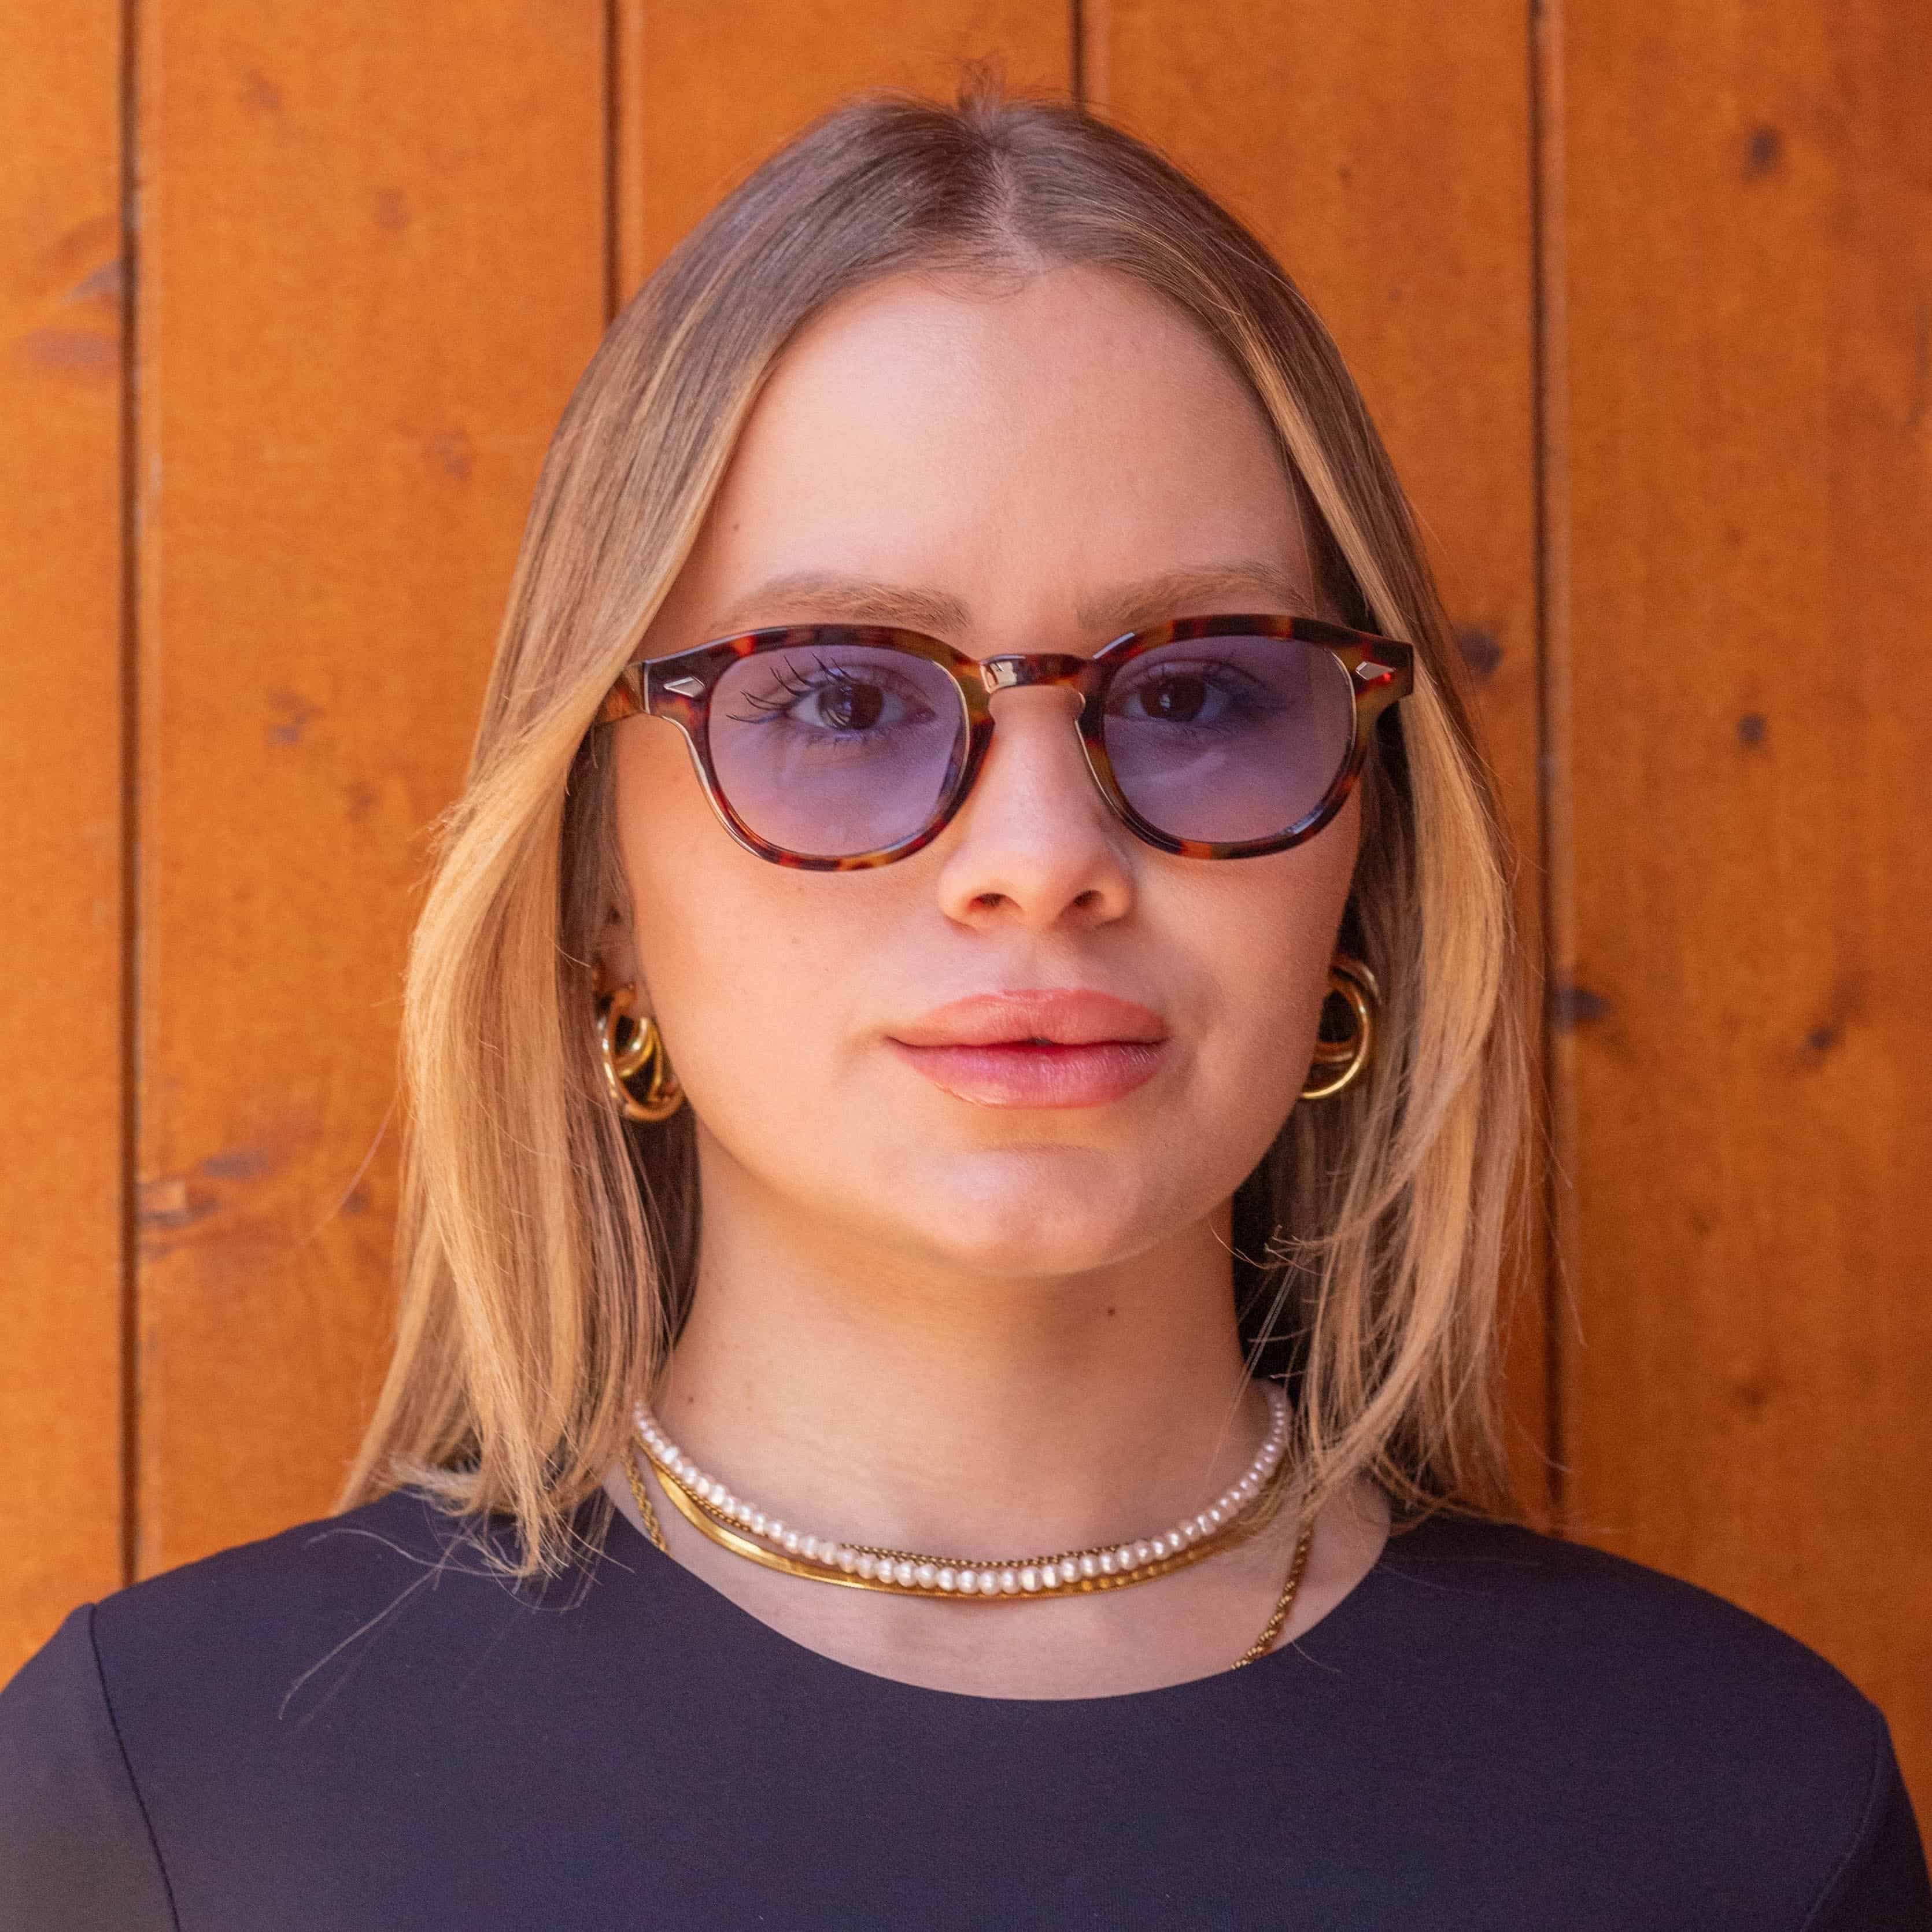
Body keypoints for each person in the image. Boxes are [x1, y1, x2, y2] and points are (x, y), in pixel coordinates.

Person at [1, 77, 1925, 1931]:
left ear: (1368, 857)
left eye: (1193, 693)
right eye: (842, 695)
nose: (1040, 855)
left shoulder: (1736, 1809)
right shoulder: (172, 1797)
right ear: (596, 883)